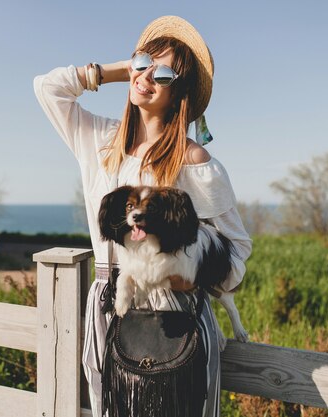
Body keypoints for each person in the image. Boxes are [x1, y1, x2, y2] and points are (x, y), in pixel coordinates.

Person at [34, 15, 252, 417]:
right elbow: (47, 88)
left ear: (180, 90)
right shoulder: (100, 141)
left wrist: (189, 275)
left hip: (177, 316)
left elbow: (237, 252)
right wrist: (119, 70)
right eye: (142, 63)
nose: (147, 76)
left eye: (164, 72)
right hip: (108, 307)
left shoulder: (194, 160)